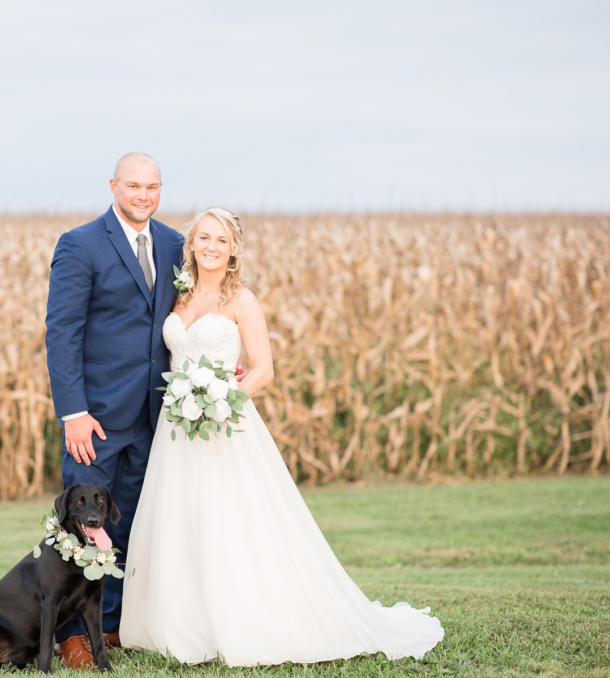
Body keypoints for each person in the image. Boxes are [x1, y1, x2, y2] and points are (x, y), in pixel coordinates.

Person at [119, 207, 444, 666]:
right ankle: (184, 623)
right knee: (182, 520)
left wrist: (220, 400)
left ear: (233, 251)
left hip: (223, 425)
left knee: (232, 523)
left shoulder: (241, 299)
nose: (211, 247)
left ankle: (243, 618)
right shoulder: (177, 295)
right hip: (177, 429)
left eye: (222, 240)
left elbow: (264, 369)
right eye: (204, 238)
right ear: (190, 244)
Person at [44, 152, 185, 669]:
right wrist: (73, 411)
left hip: (156, 415)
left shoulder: (174, 244)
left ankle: (110, 624)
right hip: (96, 419)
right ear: (113, 186)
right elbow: (62, 331)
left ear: (160, 189)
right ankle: (67, 634)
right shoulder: (80, 244)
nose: (142, 195)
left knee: (125, 523)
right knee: (80, 525)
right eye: (133, 186)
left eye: (152, 187)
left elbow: (187, 316)